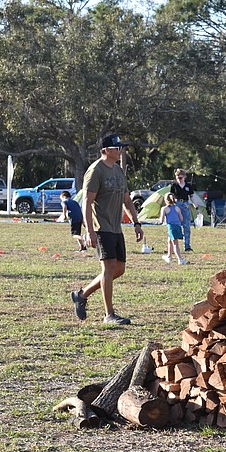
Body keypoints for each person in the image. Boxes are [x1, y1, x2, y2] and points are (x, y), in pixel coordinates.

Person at [69, 134, 143, 325]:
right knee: (108, 268)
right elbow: (87, 202)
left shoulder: (118, 171)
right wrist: (90, 230)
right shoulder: (95, 171)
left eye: (121, 148)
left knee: (119, 269)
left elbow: (127, 200)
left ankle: (82, 295)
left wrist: (137, 223)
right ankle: (109, 315)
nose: (120, 151)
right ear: (106, 150)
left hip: (116, 228)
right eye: (117, 148)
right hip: (101, 227)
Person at [169, 168, 195, 252]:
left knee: (186, 225)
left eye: (180, 178)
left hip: (186, 204)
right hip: (176, 204)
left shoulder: (188, 186)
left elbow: (192, 197)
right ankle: (172, 246)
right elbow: (171, 196)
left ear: (184, 177)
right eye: (177, 178)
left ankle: (187, 246)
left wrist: (196, 206)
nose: (179, 179)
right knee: (175, 225)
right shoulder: (174, 186)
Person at [160, 192, 188, 265]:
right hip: (178, 226)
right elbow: (181, 218)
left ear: (165, 200)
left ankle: (180, 259)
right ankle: (169, 256)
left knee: (175, 243)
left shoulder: (164, 209)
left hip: (171, 227)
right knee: (169, 241)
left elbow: (161, 220)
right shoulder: (177, 208)